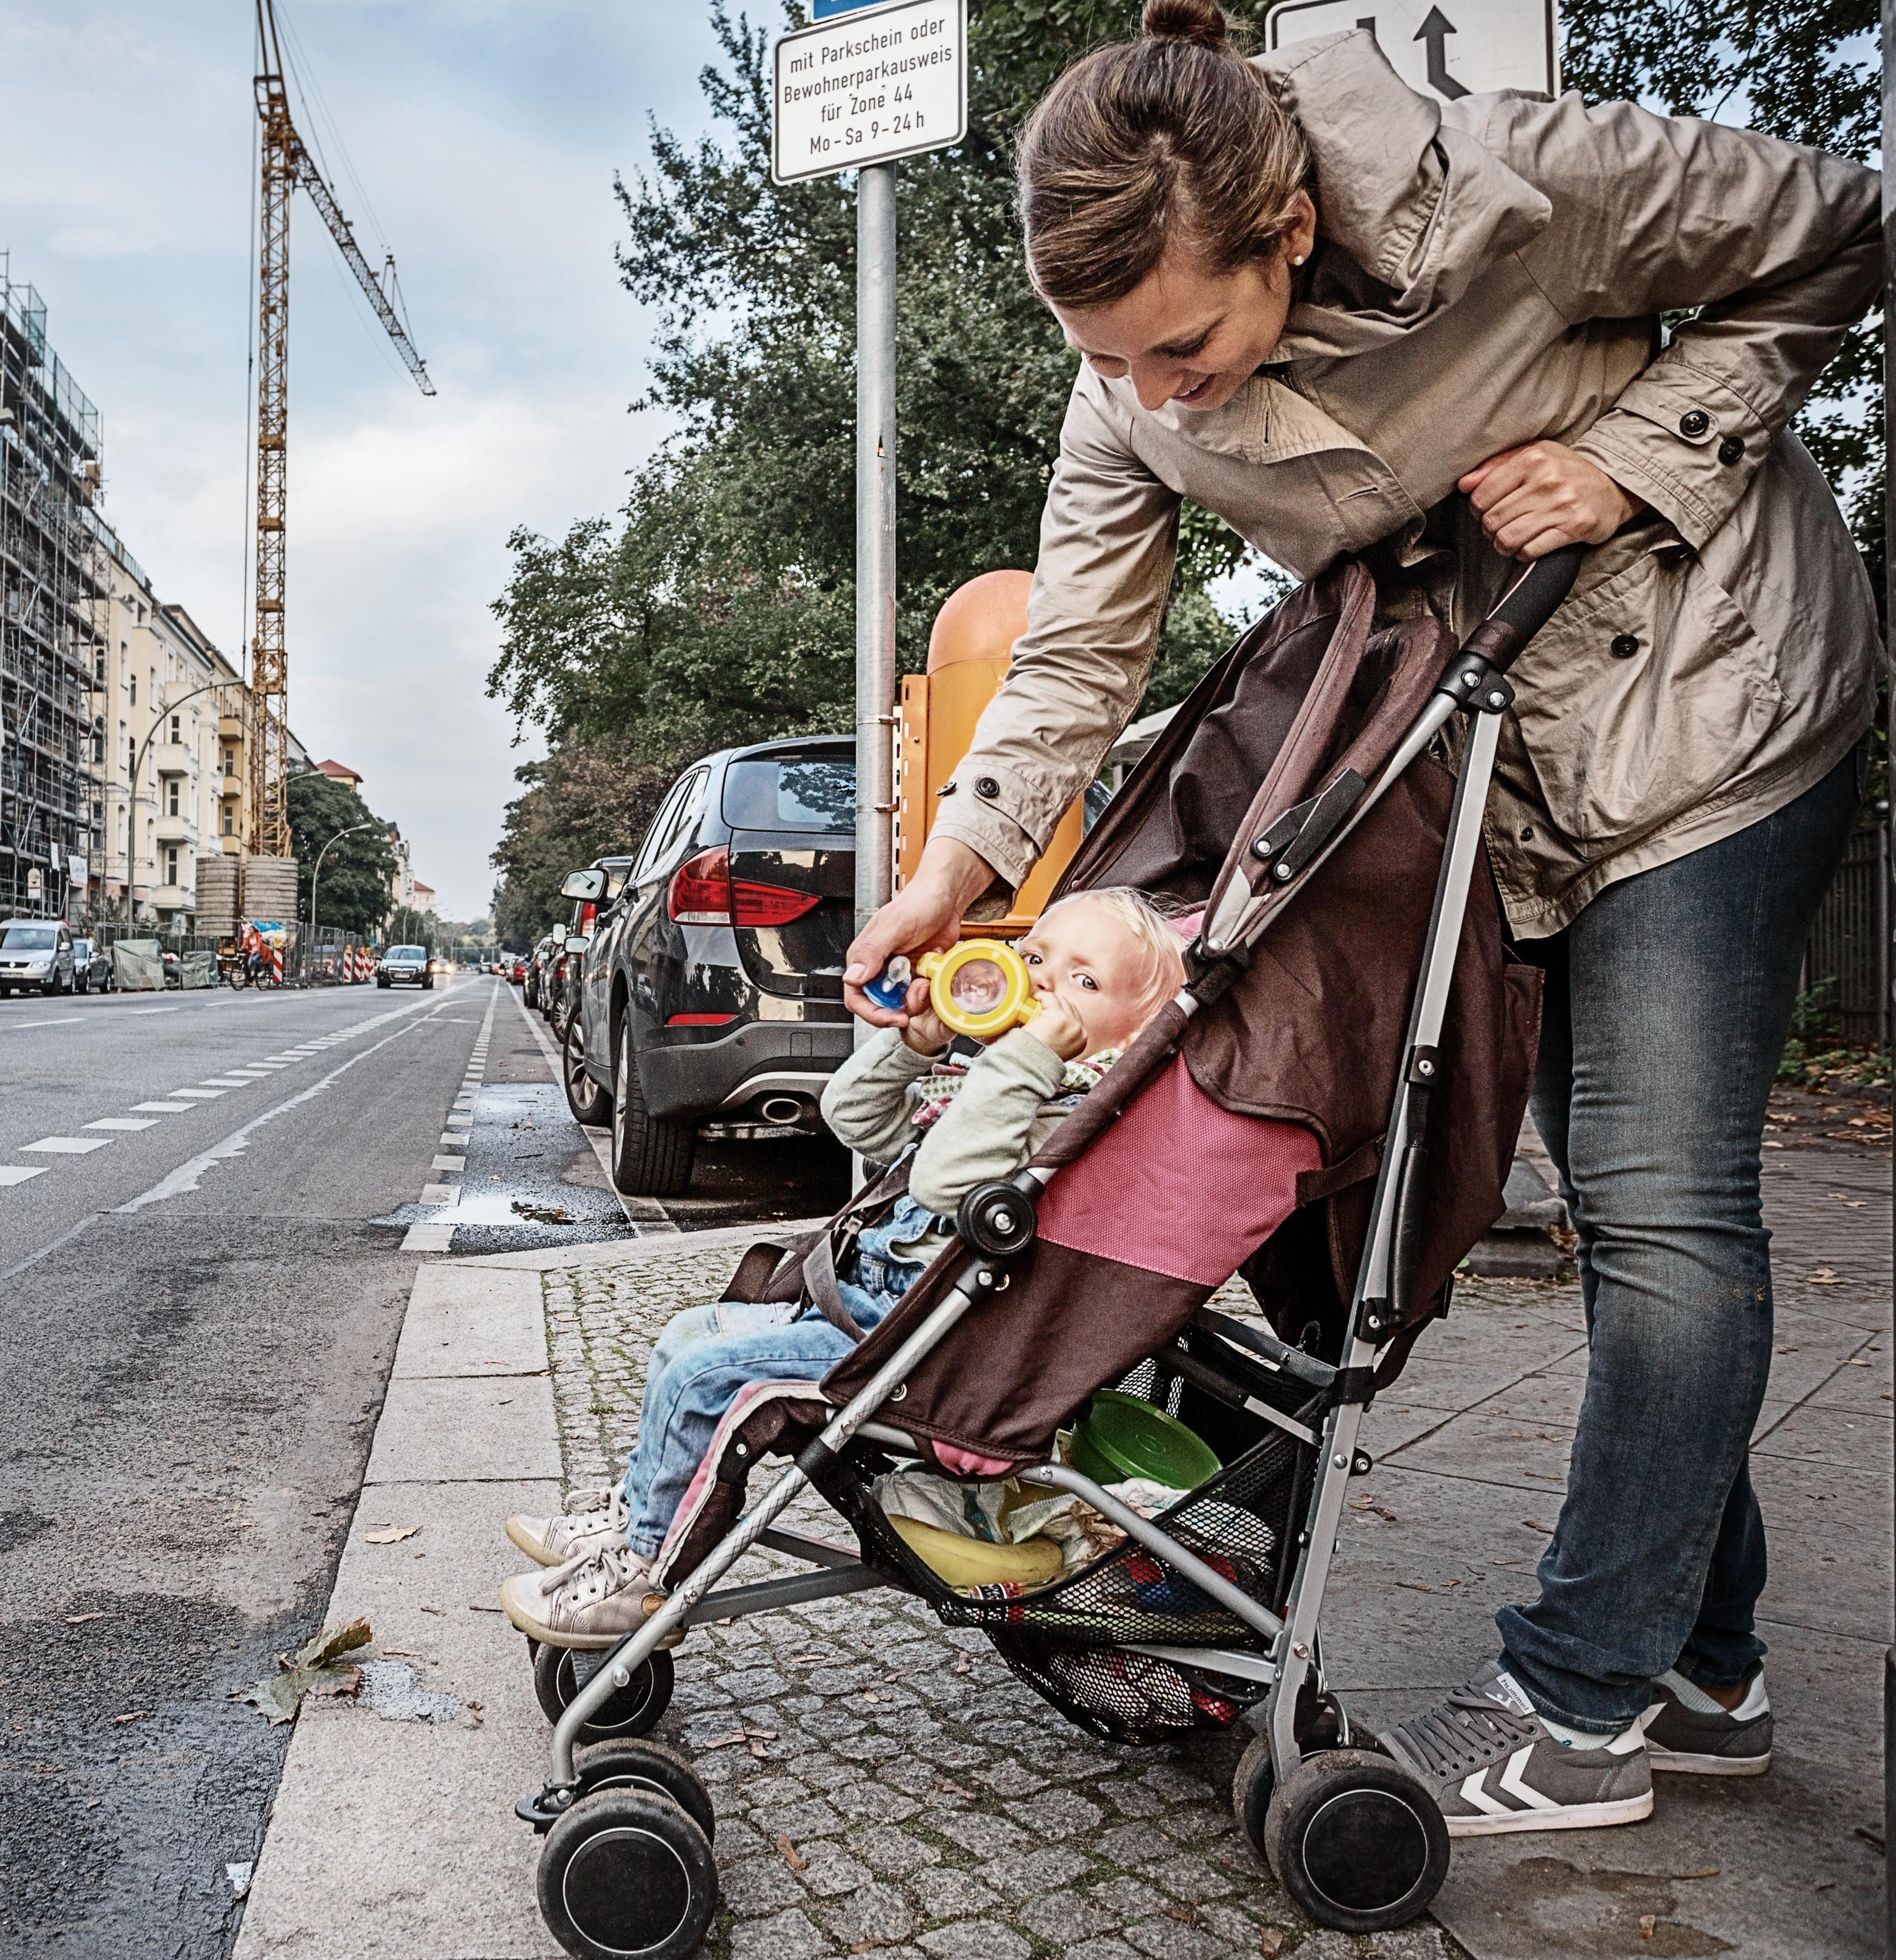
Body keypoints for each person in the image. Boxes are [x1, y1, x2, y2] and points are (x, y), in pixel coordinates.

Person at [842, 2, 1879, 1836]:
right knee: (1622, 1202)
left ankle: (1580, 1698)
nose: (1157, 396)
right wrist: (953, 865)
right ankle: (1705, 1667)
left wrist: (1639, 448)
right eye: (1110, 359)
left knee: (1652, 1198)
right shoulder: (1126, 384)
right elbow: (1079, 640)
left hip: (1703, 709)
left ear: (1293, 231)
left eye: (1182, 342)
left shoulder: (1510, 187)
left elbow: (1831, 221)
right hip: (1481, 768)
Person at [500, 888, 1307, 1648]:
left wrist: (1021, 1059)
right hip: (872, 1305)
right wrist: (912, 1044)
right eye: (1035, 960)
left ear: (1132, 1040)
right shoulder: (1010, 1085)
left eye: (1083, 982)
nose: (1045, 990)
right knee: (689, 1333)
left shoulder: (1061, 1111)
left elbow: (946, 1183)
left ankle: (642, 1574)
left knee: (709, 1374)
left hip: (920, 1349)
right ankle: (636, 1511)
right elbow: (850, 1117)